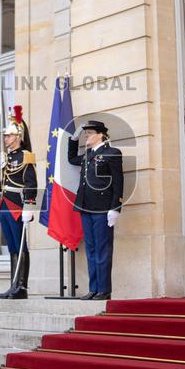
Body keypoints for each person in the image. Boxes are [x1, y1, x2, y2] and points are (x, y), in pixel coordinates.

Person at [68, 120, 124, 301]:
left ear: (101, 134)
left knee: (103, 249)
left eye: (89, 133)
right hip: (85, 206)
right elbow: (70, 158)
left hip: (102, 208)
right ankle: (93, 288)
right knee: (91, 249)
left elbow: (118, 181)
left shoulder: (112, 153)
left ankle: (104, 290)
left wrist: (115, 208)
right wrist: (73, 140)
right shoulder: (86, 155)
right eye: (85, 133)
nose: (86, 136)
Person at [0, 106, 38, 299]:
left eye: (9, 135)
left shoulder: (26, 156)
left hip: (18, 205)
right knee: (12, 245)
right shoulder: (6, 157)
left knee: (21, 245)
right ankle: (13, 284)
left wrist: (29, 206)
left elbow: (31, 183)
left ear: (18, 136)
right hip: (5, 202)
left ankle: (22, 287)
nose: (5, 139)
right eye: (5, 136)